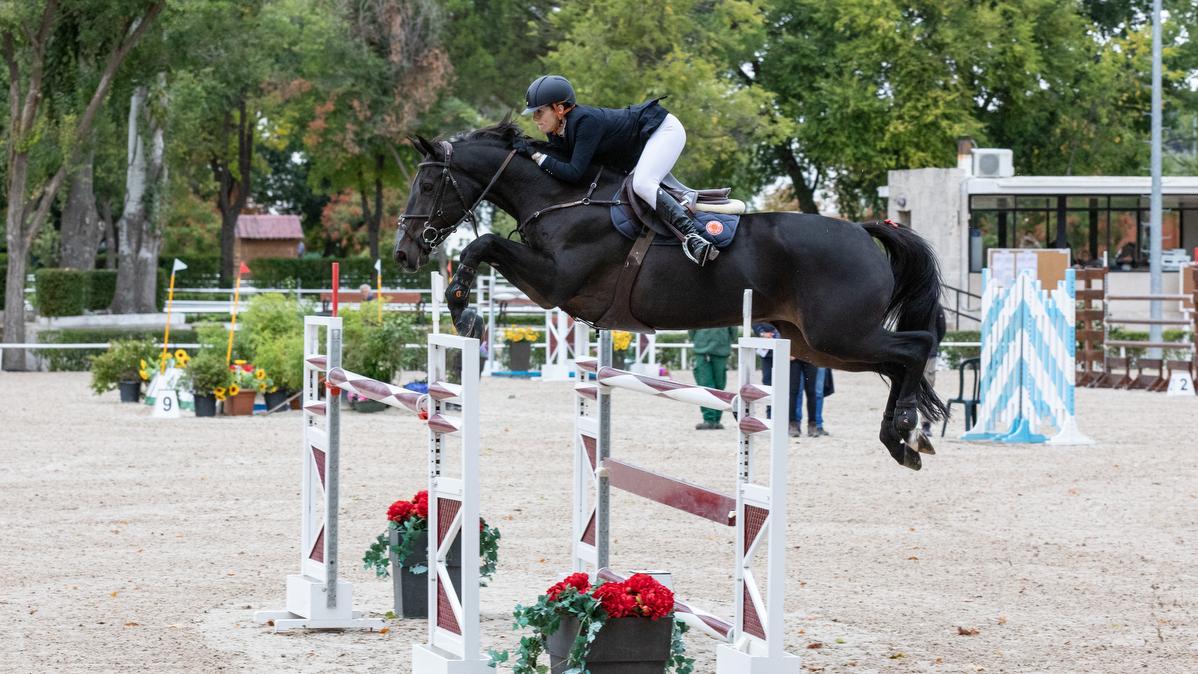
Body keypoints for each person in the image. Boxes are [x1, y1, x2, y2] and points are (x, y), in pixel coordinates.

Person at [515, 74, 718, 266]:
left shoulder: (585, 121)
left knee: (642, 184)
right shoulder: (557, 131)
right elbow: (560, 163)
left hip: (663, 130)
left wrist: (535, 155)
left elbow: (574, 172)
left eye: (539, 112)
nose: (535, 119)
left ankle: (693, 237)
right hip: (641, 146)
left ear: (559, 109)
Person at [688, 326, 739, 429]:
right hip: (704, 351)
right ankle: (709, 419)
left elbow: (733, 330)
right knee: (706, 385)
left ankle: (715, 419)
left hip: (718, 350)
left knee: (719, 385)